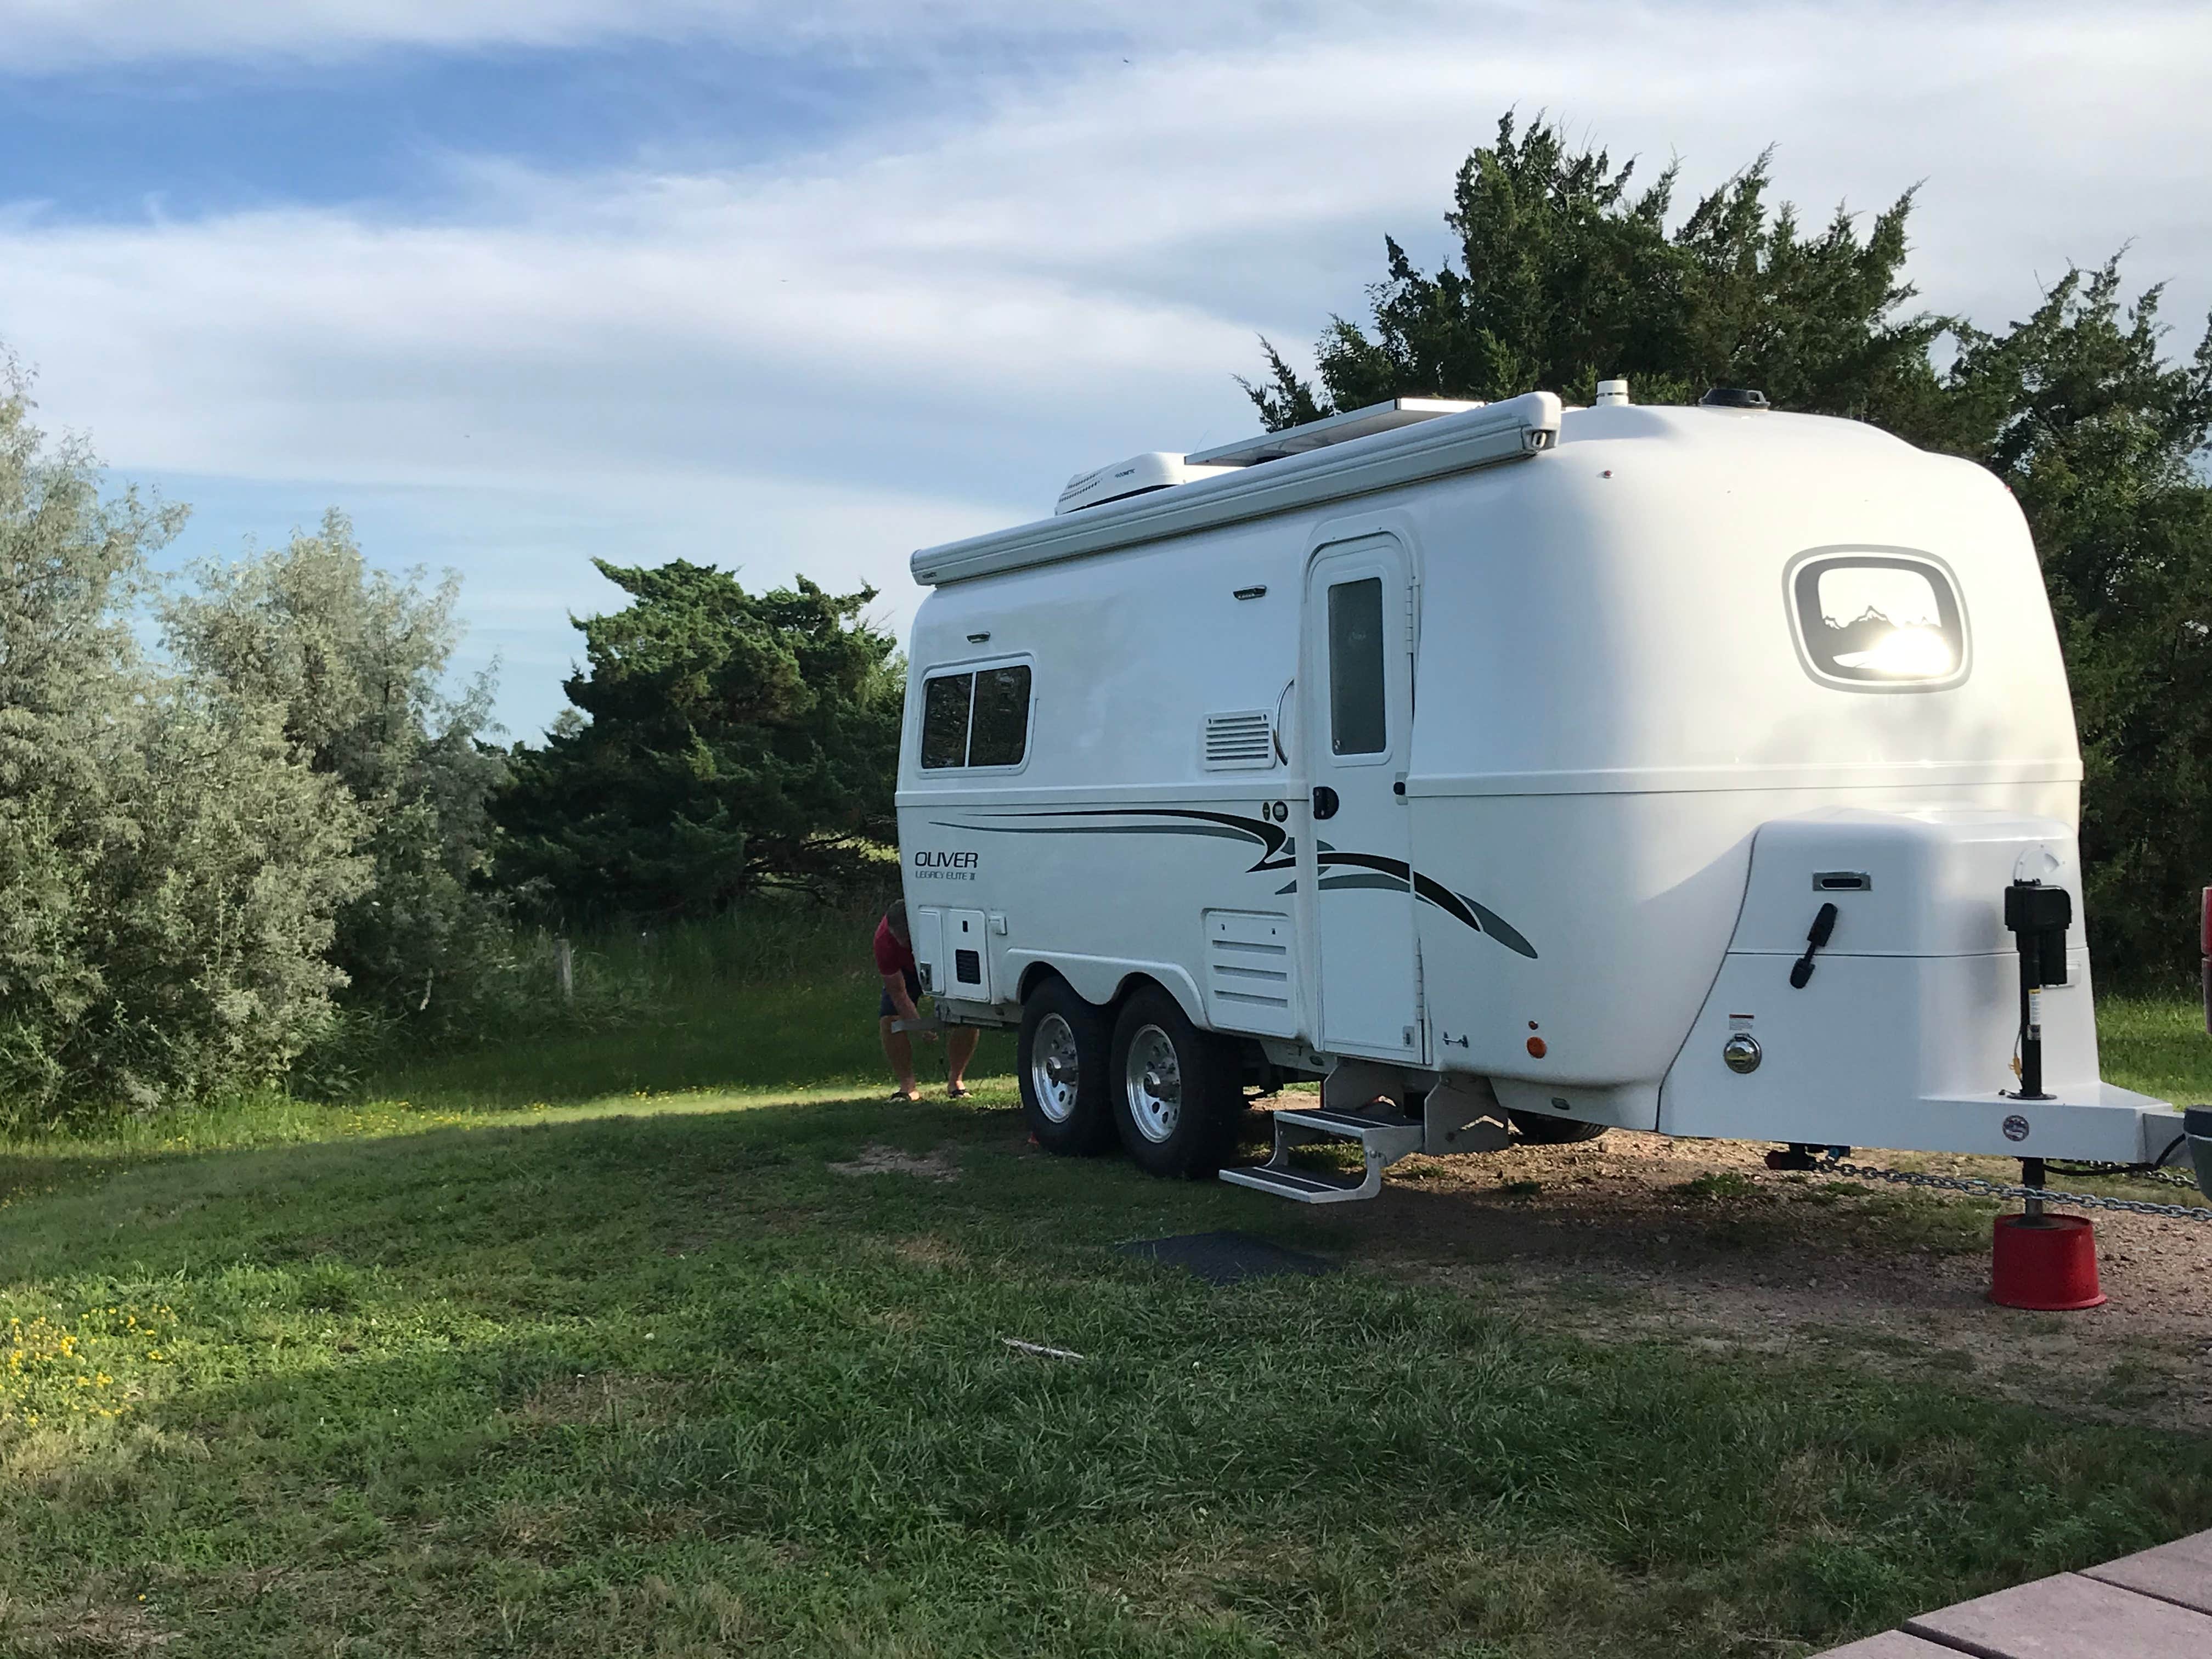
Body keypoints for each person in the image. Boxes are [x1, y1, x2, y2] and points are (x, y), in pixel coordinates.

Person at [876, 900, 977, 1102]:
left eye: (907, 940)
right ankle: (907, 1087)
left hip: (944, 962)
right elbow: (898, 993)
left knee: (969, 1014)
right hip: (906, 972)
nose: (903, 944)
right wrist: (920, 1028)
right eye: (899, 940)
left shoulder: (943, 928)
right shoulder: (884, 941)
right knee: (890, 1020)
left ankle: (956, 1081)